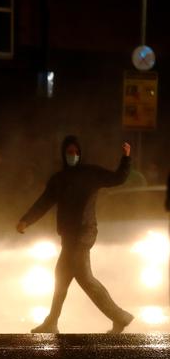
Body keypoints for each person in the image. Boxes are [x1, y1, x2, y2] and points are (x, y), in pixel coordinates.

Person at [16, 136, 134, 334]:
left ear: (81, 153)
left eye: (76, 152)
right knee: (61, 276)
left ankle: (120, 316)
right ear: (64, 154)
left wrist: (126, 158)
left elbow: (118, 178)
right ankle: (51, 322)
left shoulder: (91, 173)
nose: (73, 155)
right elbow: (44, 202)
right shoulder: (59, 179)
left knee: (84, 277)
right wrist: (26, 220)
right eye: (69, 152)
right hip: (69, 236)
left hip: (85, 232)